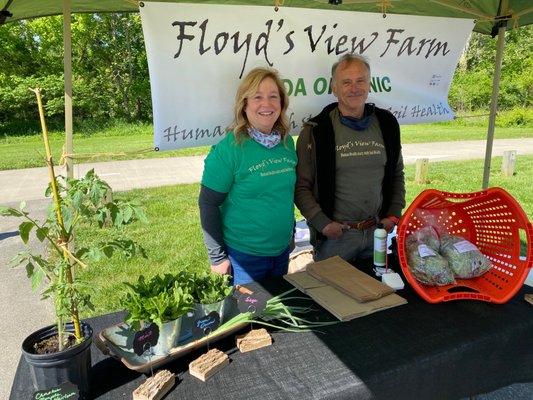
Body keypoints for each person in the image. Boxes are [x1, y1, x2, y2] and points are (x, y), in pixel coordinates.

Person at [295, 54, 405, 262]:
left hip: (377, 233)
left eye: (360, 80)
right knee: (332, 294)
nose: (354, 88)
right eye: (346, 82)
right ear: (334, 88)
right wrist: (323, 224)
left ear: (369, 84)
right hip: (336, 239)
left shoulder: (387, 124)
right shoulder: (315, 131)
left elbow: (397, 173)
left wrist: (393, 213)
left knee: (378, 290)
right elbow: (301, 187)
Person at [199, 67, 297, 285]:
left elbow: (284, 194)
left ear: (281, 103)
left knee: (277, 315)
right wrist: (217, 259)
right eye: (257, 97)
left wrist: (289, 234)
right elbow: (208, 203)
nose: (266, 104)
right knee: (251, 319)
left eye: (273, 97)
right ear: (244, 105)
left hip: (281, 252)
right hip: (244, 258)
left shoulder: (287, 143)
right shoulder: (230, 149)